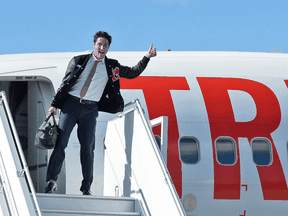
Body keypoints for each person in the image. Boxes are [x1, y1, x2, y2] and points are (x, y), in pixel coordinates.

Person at [44, 31, 156, 195]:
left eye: (105, 45)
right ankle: (51, 181)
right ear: (94, 45)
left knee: (88, 148)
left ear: (108, 48)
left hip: (90, 109)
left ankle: (86, 187)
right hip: (71, 105)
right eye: (99, 44)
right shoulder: (79, 61)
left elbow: (132, 73)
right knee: (61, 143)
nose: (102, 48)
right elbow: (65, 83)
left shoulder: (112, 66)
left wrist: (146, 57)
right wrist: (54, 105)